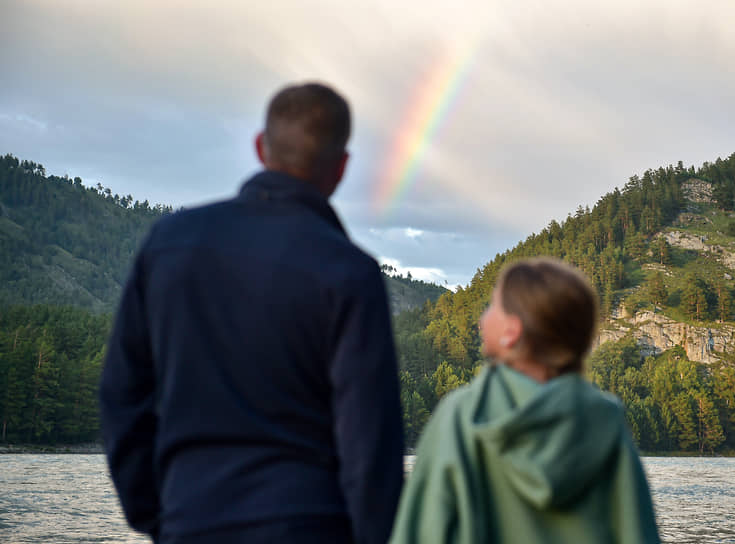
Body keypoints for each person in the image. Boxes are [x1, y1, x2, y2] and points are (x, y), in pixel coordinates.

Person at [100, 82, 405, 544]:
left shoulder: (167, 245)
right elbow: (370, 442)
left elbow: (122, 396)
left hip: (189, 519)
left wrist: (157, 515)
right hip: (312, 526)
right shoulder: (349, 273)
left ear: (260, 148)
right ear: (341, 168)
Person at [389, 257, 660, 543]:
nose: (482, 320)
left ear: (512, 331)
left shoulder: (461, 416)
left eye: (493, 306)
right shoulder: (605, 420)